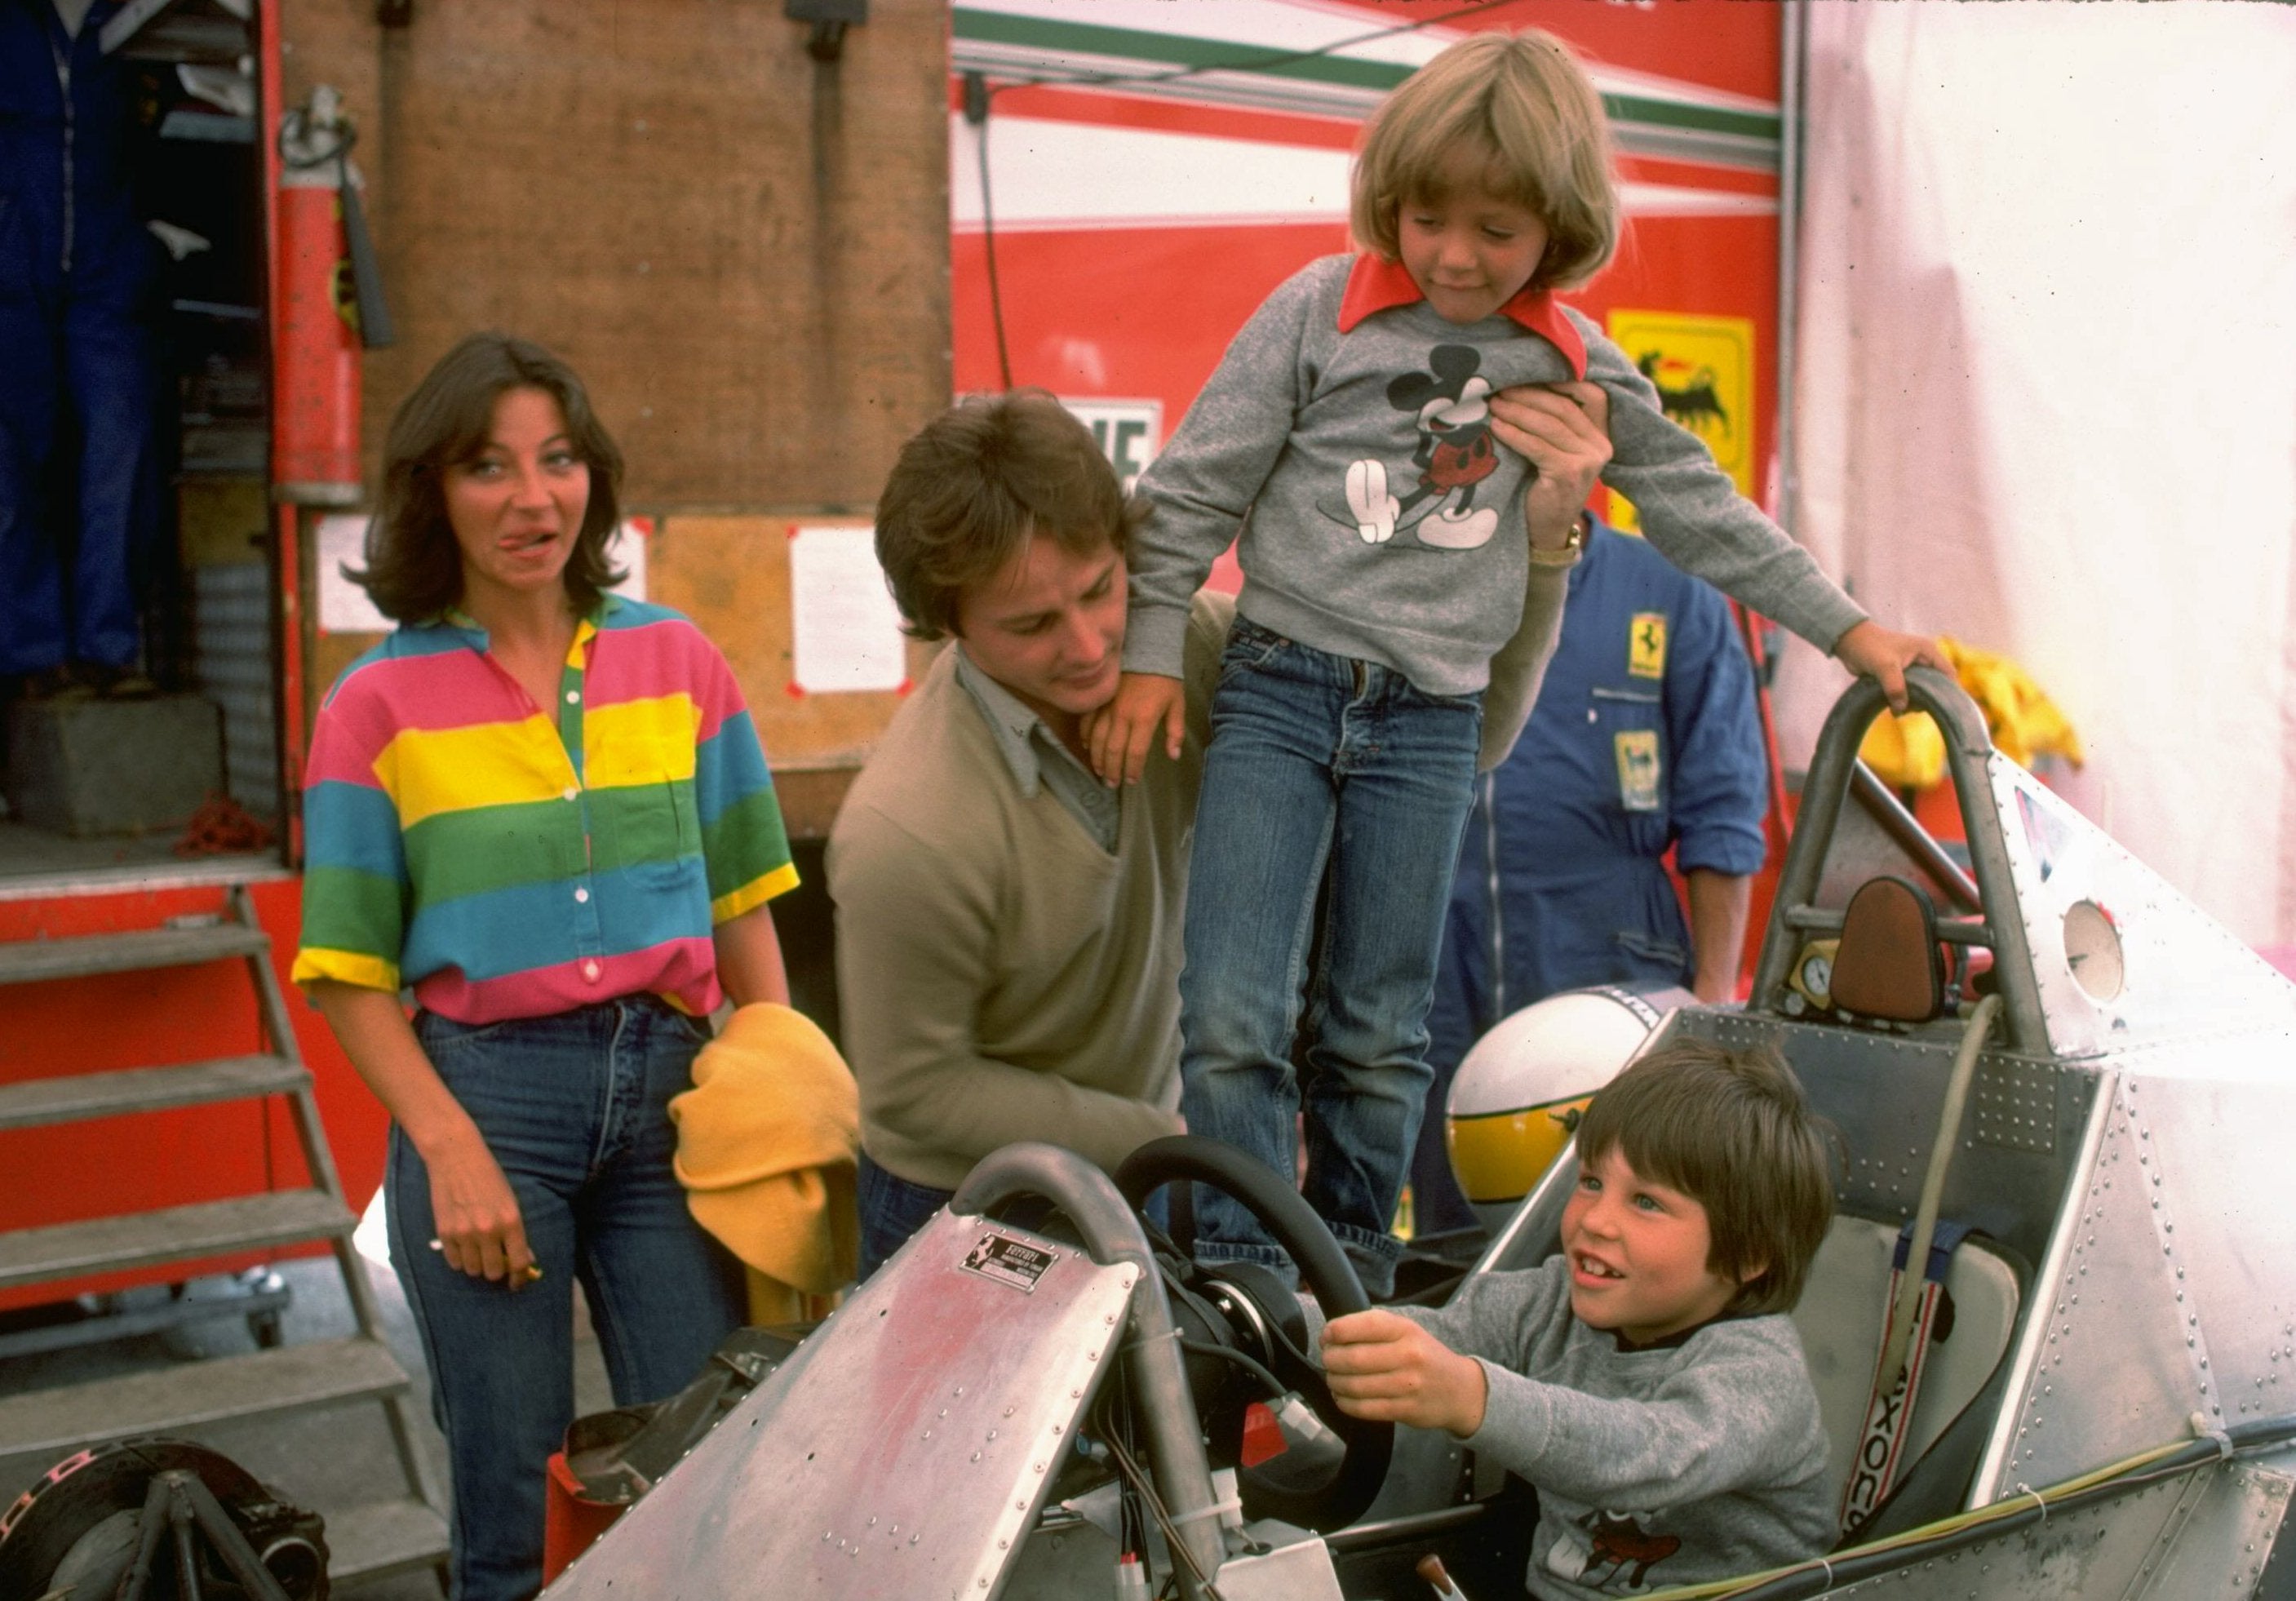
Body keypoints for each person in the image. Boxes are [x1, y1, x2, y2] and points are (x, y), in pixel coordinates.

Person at [1087, 29, 1939, 1296]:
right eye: (1426, 218)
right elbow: (1193, 490)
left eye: (1494, 229)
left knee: (1378, 1032)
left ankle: (1349, 1274)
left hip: (1428, 721)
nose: (1451, 255)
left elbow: (1698, 506)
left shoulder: (1572, 361)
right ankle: (1243, 1280)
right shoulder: (1316, 310)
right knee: (1230, 1011)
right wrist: (1153, 654)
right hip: (1279, 683)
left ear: (1558, 225)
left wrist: (1851, 630)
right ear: (1388, 201)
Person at [293, 333, 796, 1601]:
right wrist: (448, 1149)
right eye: (489, 467)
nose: (533, 498)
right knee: (517, 1507)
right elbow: (348, 970)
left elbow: (743, 905)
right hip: (485, 1103)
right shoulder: (374, 704)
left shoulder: (680, 662)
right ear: (434, 495)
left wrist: (783, 1084)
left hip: (671, 1100)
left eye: (558, 460)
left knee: (706, 1467)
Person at [1322, 1040, 1836, 1598]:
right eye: (1591, 1182)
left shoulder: (1757, 1375)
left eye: (1646, 1202)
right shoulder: (1550, 1302)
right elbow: (1424, 1338)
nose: (1595, 1220)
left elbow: (1645, 1455)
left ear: (1746, 1254)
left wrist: (1473, 1395)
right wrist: (1261, 1314)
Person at [1410, 512, 1768, 1235]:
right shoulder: (1413, 579)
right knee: (1450, 1215)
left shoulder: (1671, 590)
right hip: (1429, 952)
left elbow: (1724, 814)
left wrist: (1707, 1011)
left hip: (1611, 955)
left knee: (1617, 1211)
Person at [0, 0, 162, 698]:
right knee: (12, 463)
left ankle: (109, 646)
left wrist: (161, 235)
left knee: (118, 449)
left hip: (109, 272)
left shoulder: (138, 21)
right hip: (10, 276)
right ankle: (34, 655)